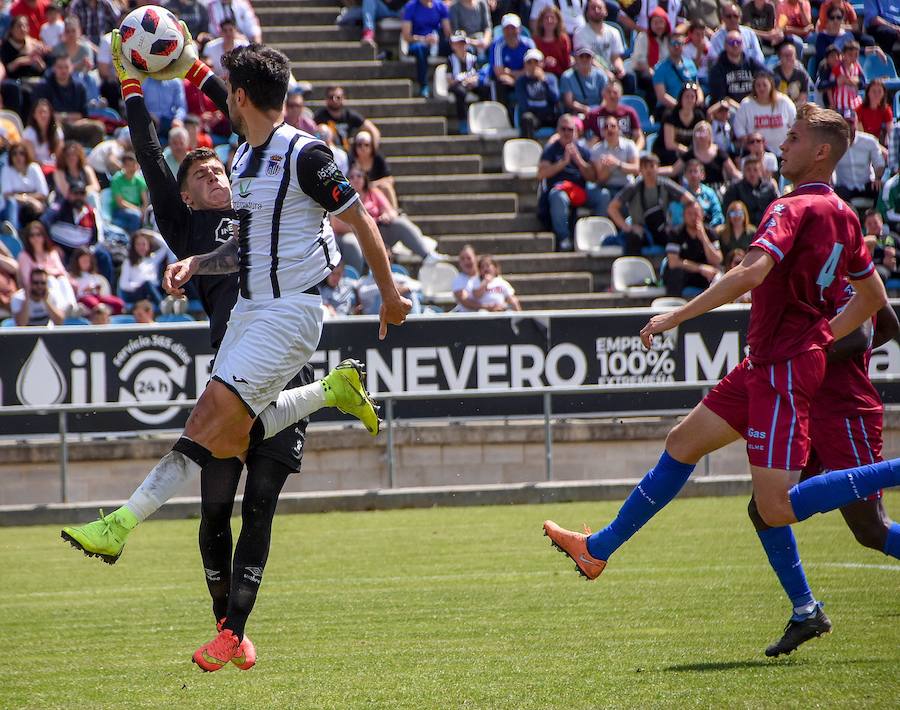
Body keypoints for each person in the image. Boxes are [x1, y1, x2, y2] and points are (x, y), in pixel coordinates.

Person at [60, 36, 410, 674]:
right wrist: (168, 63)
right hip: (250, 311)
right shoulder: (246, 155)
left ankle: (121, 524)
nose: (223, 100)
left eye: (228, 90)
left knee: (207, 430)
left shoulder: (307, 155)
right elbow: (243, 236)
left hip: (289, 316)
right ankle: (330, 392)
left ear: (244, 97)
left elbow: (362, 221)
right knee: (224, 438)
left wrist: (389, 296)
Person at [543, 103, 893, 659]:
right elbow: (874, 299)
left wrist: (674, 316)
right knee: (682, 442)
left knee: (775, 508)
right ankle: (598, 548)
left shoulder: (792, 206)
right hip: (767, 363)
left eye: (795, 137)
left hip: (781, 369)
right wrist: (824, 334)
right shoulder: (847, 217)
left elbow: (749, 273)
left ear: (821, 152)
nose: (782, 144)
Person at [748, 293, 900, 656]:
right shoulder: (806, 268)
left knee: (870, 529)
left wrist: (798, 361)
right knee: (764, 509)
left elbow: (863, 334)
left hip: (847, 413)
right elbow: (889, 325)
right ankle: (807, 612)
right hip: (807, 409)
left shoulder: (841, 263)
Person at [333, 166, 439, 270]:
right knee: (350, 242)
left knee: (400, 223)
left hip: (378, 232)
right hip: (355, 235)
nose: (355, 179)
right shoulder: (343, 198)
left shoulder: (373, 192)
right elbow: (337, 225)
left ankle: (427, 255)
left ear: (364, 178)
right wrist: (363, 225)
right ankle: (355, 279)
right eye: (351, 177)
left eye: (359, 176)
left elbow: (391, 211)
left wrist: (386, 215)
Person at [608, 153, 693, 254]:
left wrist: (681, 225)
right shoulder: (633, 188)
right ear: (640, 170)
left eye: (652, 166)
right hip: (641, 229)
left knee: (678, 239)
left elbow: (690, 200)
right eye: (645, 167)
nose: (648, 170)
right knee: (633, 238)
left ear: (658, 168)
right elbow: (612, 208)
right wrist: (628, 228)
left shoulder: (665, 184)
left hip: (662, 228)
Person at [537, 114, 597, 251]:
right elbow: (541, 174)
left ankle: (597, 235)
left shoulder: (582, 150)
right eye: (563, 129)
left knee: (603, 196)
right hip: (560, 189)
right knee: (558, 196)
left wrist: (579, 161)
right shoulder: (550, 150)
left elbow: (593, 177)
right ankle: (564, 238)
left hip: (579, 191)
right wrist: (563, 163)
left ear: (575, 131)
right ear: (558, 130)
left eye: (570, 129)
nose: (566, 132)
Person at [663, 199, 723, 296]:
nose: (693, 217)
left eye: (696, 213)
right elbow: (673, 262)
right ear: (684, 216)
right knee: (676, 273)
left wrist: (704, 238)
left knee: (718, 273)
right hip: (685, 273)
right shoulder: (675, 233)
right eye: (689, 214)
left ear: (702, 215)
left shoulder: (710, 233)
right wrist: (700, 268)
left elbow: (717, 260)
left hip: (703, 276)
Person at [733, 71, 797, 157]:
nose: (761, 88)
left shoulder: (784, 102)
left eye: (764, 85)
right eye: (758, 85)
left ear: (771, 85)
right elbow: (739, 130)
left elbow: (795, 125)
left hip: (783, 152)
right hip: (757, 155)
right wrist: (752, 143)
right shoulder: (746, 105)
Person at [16, 219, 75, 308]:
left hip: (57, 282)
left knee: (63, 280)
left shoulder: (51, 253)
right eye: (32, 235)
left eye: (38, 234)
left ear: (43, 236)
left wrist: (46, 271)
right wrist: (48, 273)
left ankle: (72, 307)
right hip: (36, 289)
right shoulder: (24, 256)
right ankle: (61, 310)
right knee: (50, 280)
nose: (35, 238)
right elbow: (27, 279)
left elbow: (62, 271)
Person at [589, 114, 638, 216]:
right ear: (602, 132)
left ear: (619, 129)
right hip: (607, 187)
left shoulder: (629, 145)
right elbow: (600, 179)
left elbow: (636, 169)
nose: (609, 129)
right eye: (606, 127)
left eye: (613, 126)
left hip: (626, 186)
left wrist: (617, 164)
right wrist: (607, 168)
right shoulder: (596, 150)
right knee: (603, 196)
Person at [401, 0, 451, 97]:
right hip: (417, 43)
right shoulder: (411, 6)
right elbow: (406, 36)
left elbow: (448, 33)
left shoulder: (440, 6)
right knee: (421, 49)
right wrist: (424, 39)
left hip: (436, 44)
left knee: (455, 47)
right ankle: (423, 85)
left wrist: (436, 39)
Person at [667, 120, 740, 187]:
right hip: (697, 189)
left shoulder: (719, 152)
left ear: (710, 135)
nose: (701, 136)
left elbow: (734, 172)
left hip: (717, 188)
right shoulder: (690, 154)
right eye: (698, 133)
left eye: (704, 132)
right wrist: (656, 170)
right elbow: (673, 170)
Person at [834, 111, 885, 204]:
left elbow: (879, 163)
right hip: (845, 188)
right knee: (837, 192)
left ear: (856, 123)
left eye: (851, 123)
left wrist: (878, 178)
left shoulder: (869, 141)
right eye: (845, 124)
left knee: (879, 188)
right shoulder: (835, 144)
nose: (849, 127)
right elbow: (830, 168)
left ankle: (874, 216)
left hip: (866, 184)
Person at [312, 85, 381, 153]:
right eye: (331, 97)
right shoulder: (319, 117)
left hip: (346, 155)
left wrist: (373, 152)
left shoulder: (349, 115)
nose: (334, 100)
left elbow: (373, 130)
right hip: (327, 154)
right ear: (326, 99)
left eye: (338, 97)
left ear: (343, 99)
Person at [573, 0, 627, 84]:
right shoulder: (580, 33)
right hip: (590, 71)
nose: (597, 10)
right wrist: (605, 72)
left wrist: (620, 68)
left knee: (629, 78)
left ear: (606, 11)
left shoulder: (614, 32)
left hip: (610, 69)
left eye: (599, 8)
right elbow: (586, 59)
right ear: (587, 12)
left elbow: (615, 57)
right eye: (593, 8)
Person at [489, 13, 535, 112]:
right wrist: (521, 73)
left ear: (519, 29)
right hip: (506, 81)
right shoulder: (497, 45)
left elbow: (533, 69)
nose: (510, 32)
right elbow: (499, 73)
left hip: (522, 80)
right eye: (507, 28)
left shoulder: (528, 44)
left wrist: (512, 75)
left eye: (513, 28)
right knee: (500, 83)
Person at [708, 30, 767, 105]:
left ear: (742, 44)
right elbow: (721, 97)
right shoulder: (717, 68)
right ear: (725, 45)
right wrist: (741, 108)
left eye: (738, 42)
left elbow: (769, 77)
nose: (735, 45)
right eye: (731, 42)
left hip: (753, 105)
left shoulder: (751, 63)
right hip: (729, 108)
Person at [630, 7, 670, 113]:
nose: (659, 26)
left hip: (663, 73)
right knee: (652, 82)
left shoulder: (668, 39)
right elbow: (640, 61)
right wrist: (655, 74)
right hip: (645, 72)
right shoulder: (643, 37)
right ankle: (653, 112)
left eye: (661, 22)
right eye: (655, 23)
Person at [656, 82, 705, 166]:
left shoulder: (699, 116)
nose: (689, 100)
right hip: (670, 153)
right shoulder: (670, 115)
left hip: (690, 152)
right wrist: (688, 152)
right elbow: (670, 144)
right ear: (681, 98)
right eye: (686, 96)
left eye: (692, 97)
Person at [446, 31, 486, 132]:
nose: (460, 46)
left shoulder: (472, 58)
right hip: (457, 85)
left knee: (484, 89)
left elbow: (478, 74)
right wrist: (463, 81)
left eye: (462, 43)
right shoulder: (450, 59)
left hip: (471, 84)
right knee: (460, 93)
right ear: (453, 45)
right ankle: (462, 123)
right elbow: (450, 80)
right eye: (457, 43)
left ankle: (482, 119)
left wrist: (471, 81)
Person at [584, 80, 644, 149]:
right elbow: (580, 132)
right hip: (601, 152)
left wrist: (635, 151)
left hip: (625, 151)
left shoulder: (629, 112)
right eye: (609, 92)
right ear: (603, 94)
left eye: (615, 93)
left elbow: (639, 136)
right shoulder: (594, 114)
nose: (612, 95)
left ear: (621, 94)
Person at [2, 142, 49, 228]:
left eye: (21, 153)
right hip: (14, 206)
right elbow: (7, 195)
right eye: (14, 153)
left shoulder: (34, 168)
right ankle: (14, 233)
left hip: (34, 205)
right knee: (12, 204)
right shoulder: (7, 169)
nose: (18, 157)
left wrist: (26, 198)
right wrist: (29, 200)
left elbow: (43, 193)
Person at [516, 49, 560, 140]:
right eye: (529, 62)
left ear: (542, 64)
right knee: (526, 119)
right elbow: (523, 105)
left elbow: (555, 98)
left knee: (563, 119)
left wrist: (544, 81)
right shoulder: (521, 81)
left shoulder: (551, 78)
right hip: (534, 116)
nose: (533, 66)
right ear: (525, 65)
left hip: (549, 115)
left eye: (536, 62)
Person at [67, 245, 124, 314]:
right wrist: (85, 290)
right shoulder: (71, 277)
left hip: (97, 296)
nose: (86, 263)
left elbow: (102, 293)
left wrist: (96, 289)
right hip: (83, 298)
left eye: (87, 261)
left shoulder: (95, 277)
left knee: (119, 303)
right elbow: (73, 294)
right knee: (95, 304)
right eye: (83, 261)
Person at [668, 158, 724, 227]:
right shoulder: (680, 194)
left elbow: (718, 214)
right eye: (690, 171)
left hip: (708, 229)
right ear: (685, 175)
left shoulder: (710, 193)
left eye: (695, 171)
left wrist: (709, 228)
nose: (693, 175)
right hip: (686, 231)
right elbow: (677, 217)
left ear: (702, 175)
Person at [653, 33, 699, 116]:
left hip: (690, 107)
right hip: (669, 109)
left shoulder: (690, 64)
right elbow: (661, 96)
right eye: (674, 43)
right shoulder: (660, 68)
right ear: (668, 46)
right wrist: (681, 107)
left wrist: (698, 101)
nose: (677, 46)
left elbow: (697, 87)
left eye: (680, 44)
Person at [118, 230, 168, 306]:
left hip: (155, 289)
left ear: (148, 245)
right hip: (138, 292)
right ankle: (163, 305)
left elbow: (165, 247)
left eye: (144, 244)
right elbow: (123, 284)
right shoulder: (128, 262)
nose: (141, 247)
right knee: (147, 283)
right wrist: (139, 284)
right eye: (138, 244)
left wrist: (150, 234)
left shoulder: (153, 258)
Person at [349, 130, 397, 209]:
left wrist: (372, 184)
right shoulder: (351, 160)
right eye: (359, 145)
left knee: (387, 187)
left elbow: (390, 179)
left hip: (375, 189)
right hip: (357, 189)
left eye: (366, 145)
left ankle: (394, 211)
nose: (363, 148)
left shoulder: (378, 158)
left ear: (372, 146)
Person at [560, 46, 607, 115]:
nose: (584, 59)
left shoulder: (601, 75)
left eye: (588, 56)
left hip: (598, 112)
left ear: (592, 59)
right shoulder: (567, 76)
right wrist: (586, 109)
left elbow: (606, 98)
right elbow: (569, 102)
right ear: (576, 58)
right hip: (577, 112)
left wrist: (598, 111)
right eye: (581, 56)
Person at [109, 153, 149, 234]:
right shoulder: (117, 179)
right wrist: (138, 210)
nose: (132, 168)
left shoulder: (139, 180)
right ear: (123, 166)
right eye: (129, 165)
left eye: (134, 165)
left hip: (136, 209)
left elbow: (145, 200)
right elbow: (120, 203)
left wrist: (144, 210)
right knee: (135, 216)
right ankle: (133, 239)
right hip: (120, 210)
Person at [22, 99, 62, 171]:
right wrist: (47, 166)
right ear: (34, 115)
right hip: (36, 169)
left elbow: (59, 155)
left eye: (45, 112)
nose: (43, 115)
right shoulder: (28, 133)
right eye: (40, 112)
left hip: (54, 167)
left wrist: (53, 166)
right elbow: (32, 159)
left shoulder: (56, 131)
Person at [532, 5, 571, 79]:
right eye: (546, 18)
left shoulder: (563, 39)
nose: (549, 20)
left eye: (552, 18)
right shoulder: (535, 40)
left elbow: (567, 63)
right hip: (540, 77)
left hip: (561, 77)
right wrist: (544, 63)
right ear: (541, 21)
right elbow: (532, 64)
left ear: (557, 21)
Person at [830, 40, 864, 114]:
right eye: (850, 55)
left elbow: (863, 82)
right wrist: (832, 103)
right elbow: (829, 87)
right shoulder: (837, 68)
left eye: (856, 55)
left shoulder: (857, 67)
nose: (853, 57)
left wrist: (856, 81)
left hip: (855, 104)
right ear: (843, 55)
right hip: (840, 105)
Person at [856, 78, 892, 146]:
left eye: (879, 91)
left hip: (879, 142)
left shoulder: (886, 109)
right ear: (868, 93)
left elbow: (891, 132)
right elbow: (861, 135)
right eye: (873, 91)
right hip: (864, 143)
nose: (876, 94)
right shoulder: (860, 110)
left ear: (884, 94)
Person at [773, 42, 810, 107]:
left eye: (791, 55)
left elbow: (803, 99)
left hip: (797, 109)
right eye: (786, 55)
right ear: (780, 57)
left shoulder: (802, 75)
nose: (789, 58)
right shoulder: (773, 75)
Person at [451, 243, 479, 311]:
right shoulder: (458, 280)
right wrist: (486, 307)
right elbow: (465, 301)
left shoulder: (486, 276)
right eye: (462, 259)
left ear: (476, 258)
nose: (466, 261)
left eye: (469, 258)